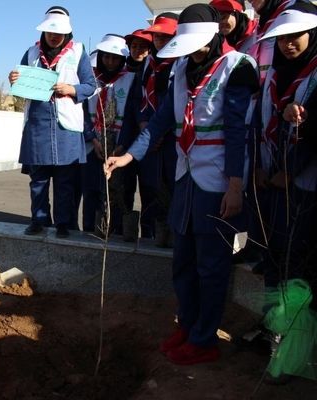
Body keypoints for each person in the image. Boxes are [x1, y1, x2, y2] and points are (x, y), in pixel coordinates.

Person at [105, 4, 258, 365]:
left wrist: (235, 185)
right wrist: (128, 155)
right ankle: (188, 327)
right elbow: (160, 121)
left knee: (211, 264)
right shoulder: (178, 67)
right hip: (185, 176)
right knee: (183, 261)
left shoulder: (237, 67)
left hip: (217, 180)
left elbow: (238, 132)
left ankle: (205, 339)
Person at [250, 5, 317, 382]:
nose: (289, 44)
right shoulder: (273, 75)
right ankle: (275, 337)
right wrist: (261, 168)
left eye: (298, 36)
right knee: (276, 260)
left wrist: (290, 173)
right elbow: (258, 125)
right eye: (283, 38)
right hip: (273, 184)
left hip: (305, 189)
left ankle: (296, 353)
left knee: (299, 270)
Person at [8, 6, 96, 238]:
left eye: (58, 33)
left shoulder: (78, 52)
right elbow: (19, 87)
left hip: (66, 126)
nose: (54, 36)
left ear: (67, 33)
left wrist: (71, 89)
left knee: (65, 181)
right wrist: (13, 79)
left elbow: (90, 85)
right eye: (49, 32)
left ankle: (64, 223)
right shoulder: (31, 53)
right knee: (38, 180)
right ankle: (39, 219)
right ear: (43, 32)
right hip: (37, 123)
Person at [82, 34, 136, 235]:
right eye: (106, 57)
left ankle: (117, 230)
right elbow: (83, 114)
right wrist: (93, 140)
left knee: (120, 191)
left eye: (115, 58)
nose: (110, 62)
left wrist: (120, 147)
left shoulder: (131, 80)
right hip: (92, 144)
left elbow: (131, 118)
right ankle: (90, 229)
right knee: (92, 190)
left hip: (119, 146)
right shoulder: (90, 81)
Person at [135, 12, 180, 246]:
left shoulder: (181, 62)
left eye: (165, 37)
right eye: (157, 37)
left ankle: (175, 236)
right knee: (152, 188)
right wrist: (144, 123)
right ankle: (156, 234)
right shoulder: (148, 65)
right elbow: (138, 100)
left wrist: (162, 131)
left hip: (174, 139)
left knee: (174, 188)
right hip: (151, 137)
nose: (160, 41)